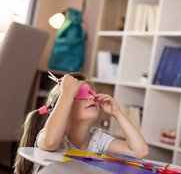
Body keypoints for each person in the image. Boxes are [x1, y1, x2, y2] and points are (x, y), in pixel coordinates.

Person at [14, 72, 149, 174]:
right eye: (82, 94)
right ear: (63, 105)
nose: (91, 96)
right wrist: (66, 93)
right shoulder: (53, 137)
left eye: (91, 93)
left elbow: (140, 151)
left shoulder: (97, 139)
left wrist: (117, 113)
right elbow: (49, 143)